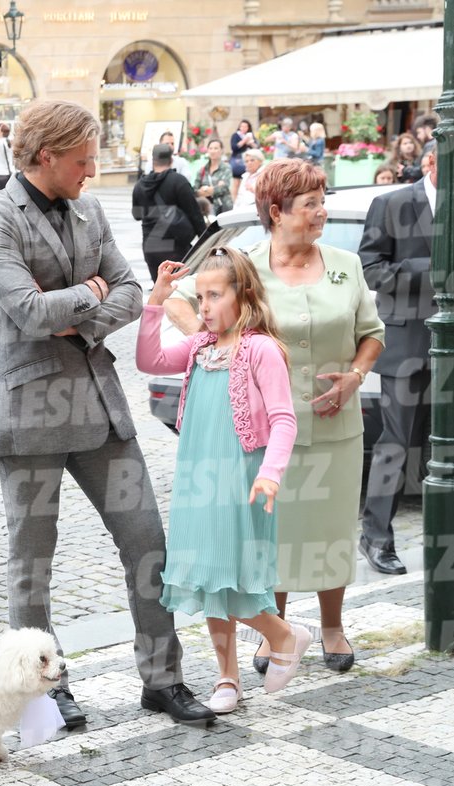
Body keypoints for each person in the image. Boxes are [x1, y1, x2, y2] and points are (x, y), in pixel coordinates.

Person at [0, 98, 215, 729]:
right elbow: (28, 311)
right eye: (81, 159)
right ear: (45, 156)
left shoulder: (91, 207)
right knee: (33, 566)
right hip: (27, 413)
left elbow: (132, 291)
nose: (92, 168)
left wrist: (77, 314)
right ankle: (42, 692)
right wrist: (90, 295)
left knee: (148, 545)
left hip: (101, 409)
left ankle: (163, 680)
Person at [165, 158, 386, 675]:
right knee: (274, 534)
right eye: (311, 204)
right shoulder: (245, 265)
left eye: (322, 200)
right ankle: (277, 634)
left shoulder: (343, 264)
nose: (321, 212)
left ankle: (332, 626)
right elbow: (182, 300)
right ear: (276, 211)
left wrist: (355, 375)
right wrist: (217, 343)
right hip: (266, 433)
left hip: (336, 426)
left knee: (331, 529)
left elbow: (371, 334)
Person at [140, 247, 312, 710]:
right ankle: (227, 678)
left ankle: (285, 634)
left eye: (214, 296)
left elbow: (284, 419)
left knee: (232, 576)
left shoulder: (260, 349)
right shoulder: (199, 347)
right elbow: (149, 360)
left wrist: (272, 474)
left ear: (245, 296)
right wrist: (156, 299)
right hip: (197, 474)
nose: (205, 308)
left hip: (242, 477)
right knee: (207, 577)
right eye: (199, 298)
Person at [359, 139, 454, 574]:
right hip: (408, 349)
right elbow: (372, 270)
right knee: (396, 448)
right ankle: (376, 537)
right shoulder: (390, 203)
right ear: (432, 161)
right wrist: (439, 265)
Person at [132, 143, 206, 284]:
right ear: (171, 160)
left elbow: (137, 215)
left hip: (151, 246)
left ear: (152, 160)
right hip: (175, 246)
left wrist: (154, 212)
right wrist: (206, 240)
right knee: (179, 291)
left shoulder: (140, 185)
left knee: (161, 291)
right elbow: (194, 214)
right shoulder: (178, 181)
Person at [194, 138, 233, 216]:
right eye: (210, 148)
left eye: (216, 148)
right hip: (207, 209)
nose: (212, 151)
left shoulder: (226, 167)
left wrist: (205, 190)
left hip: (223, 207)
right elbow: (195, 190)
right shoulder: (202, 170)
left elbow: (224, 188)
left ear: (221, 150)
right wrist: (214, 188)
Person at [229, 120, 257, 186]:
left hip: (249, 161)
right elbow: (234, 147)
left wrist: (251, 142)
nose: (243, 128)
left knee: (248, 182)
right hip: (238, 160)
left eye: (245, 126)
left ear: (248, 128)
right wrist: (244, 140)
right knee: (236, 182)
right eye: (242, 126)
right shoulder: (236, 135)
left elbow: (256, 147)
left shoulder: (250, 135)